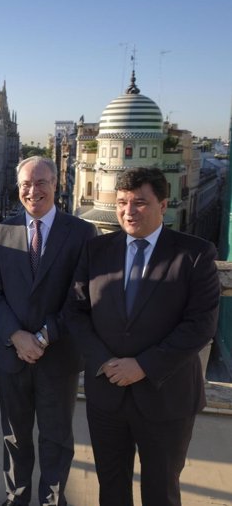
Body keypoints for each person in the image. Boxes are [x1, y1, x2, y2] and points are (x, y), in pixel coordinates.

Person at [65, 167, 219, 506]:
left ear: (163, 205)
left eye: (140, 203)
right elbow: (75, 313)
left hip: (167, 396)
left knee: (161, 491)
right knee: (111, 486)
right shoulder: (96, 250)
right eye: (121, 202)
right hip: (107, 394)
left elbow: (201, 325)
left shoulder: (195, 253)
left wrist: (144, 366)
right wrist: (105, 361)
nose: (128, 212)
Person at [0, 156, 97, 506]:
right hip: (11, 355)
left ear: (55, 185)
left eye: (41, 182)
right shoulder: (1, 231)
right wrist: (16, 335)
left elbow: (81, 295)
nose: (33, 191)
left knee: (56, 437)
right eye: (26, 185)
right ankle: (16, 498)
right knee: (14, 436)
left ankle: (51, 500)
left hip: (57, 356)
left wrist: (43, 337)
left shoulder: (80, 232)